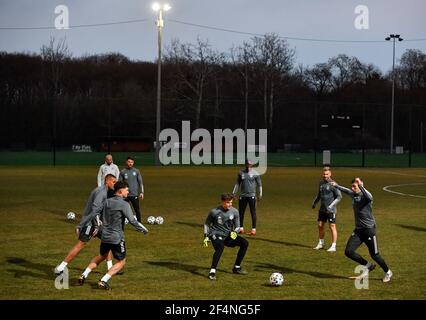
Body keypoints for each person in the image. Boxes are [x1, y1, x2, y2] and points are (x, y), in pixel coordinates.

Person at [77, 181, 149, 290]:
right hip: (116, 238)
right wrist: (143, 229)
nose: (128, 191)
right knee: (121, 262)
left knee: (102, 256)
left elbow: (93, 213)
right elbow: (132, 220)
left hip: (105, 236)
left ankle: (84, 274)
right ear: (120, 191)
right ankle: (103, 280)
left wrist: (80, 225)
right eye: (126, 189)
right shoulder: (124, 204)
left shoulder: (106, 202)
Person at [331, 177, 393, 282]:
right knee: (348, 251)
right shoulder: (354, 194)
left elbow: (369, 198)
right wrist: (336, 185)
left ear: (361, 185)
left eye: (355, 185)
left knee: (375, 255)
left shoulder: (366, 196)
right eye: (353, 185)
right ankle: (368, 266)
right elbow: (346, 190)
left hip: (369, 230)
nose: (353, 187)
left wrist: (360, 185)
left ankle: (388, 272)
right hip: (358, 231)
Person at [54, 174, 117, 275]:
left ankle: (110, 268)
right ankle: (60, 267)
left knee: (109, 241)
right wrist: (95, 226)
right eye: (114, 182)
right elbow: (94, 210)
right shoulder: (101, 192)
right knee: (81, 245)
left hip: (96, 222)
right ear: (107, 181)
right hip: (90, 223)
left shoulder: (104, 191)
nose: (115, 184)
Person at [203, 193, 249, 280]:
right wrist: (205, 236)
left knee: (245, 243)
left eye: (231, 202)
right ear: (222, 202)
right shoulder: (214, 212)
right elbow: (207, 224)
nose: (230, 204)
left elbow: (238, 226)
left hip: (228, 235)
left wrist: (235, 232)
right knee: (220, 247)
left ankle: (237, 267)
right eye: (228, 202)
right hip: (215, 234)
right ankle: (212, 272)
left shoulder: (235, 211)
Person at [311, 167, 342, 252]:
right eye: (324, 174)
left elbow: (339, 197)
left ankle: (333, 246)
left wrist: (331, 206)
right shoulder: (321, 183)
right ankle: (321, 243)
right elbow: (319, 195)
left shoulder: (333, 184)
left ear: (330, 174)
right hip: (322, 209)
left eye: (327, 174)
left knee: (332, 226)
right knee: (320, 225)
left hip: (331, 210)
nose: (325, 176)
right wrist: (314, 202)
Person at [232, 160, 262, 235]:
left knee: (253, 212)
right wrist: (233, 193)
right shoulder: (241, 172)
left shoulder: (255, 173)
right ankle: (241, 228)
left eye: (250, 164)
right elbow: (237, 184)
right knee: (241, 213)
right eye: (247, 164)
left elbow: (259, 185)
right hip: (243, 196)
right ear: (245, 164)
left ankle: (253, 229)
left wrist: (260, 194)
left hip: (252, 196)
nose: (249, 165)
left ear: (252, 165)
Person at [119, 157, 144, 222]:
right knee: (123, 210)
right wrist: (120, 193)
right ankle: (122, 224)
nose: (130, 163)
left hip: (134, 194)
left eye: (131, 162)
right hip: (125, 195)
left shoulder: (136, 171)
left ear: (133, 163)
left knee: (137, 210)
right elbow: (120, 184)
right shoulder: (122, 172)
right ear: (126, 162)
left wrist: (142, 192)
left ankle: (139, 224)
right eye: (129, 162)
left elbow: (140, 182)